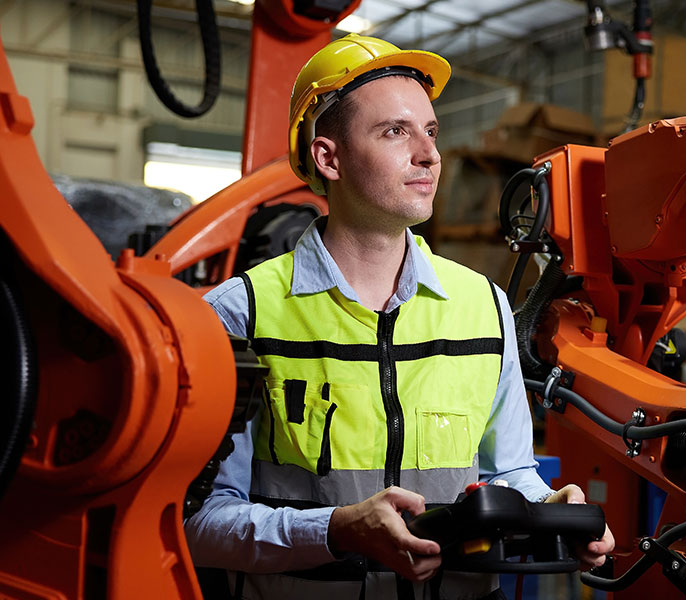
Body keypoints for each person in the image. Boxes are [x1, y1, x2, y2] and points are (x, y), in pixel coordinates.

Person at [184, 34, 614, 600]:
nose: (429, 154)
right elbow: (199, 523)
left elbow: (510, 475)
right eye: (395, 131)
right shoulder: (242, 313)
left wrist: (552, 510)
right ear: (328, 157)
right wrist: (337, 530)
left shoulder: (483, 308)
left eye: (430, 132)